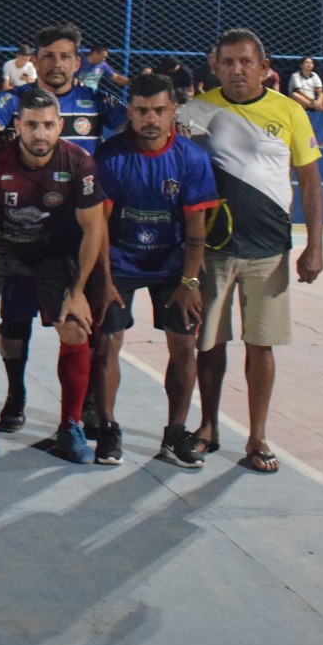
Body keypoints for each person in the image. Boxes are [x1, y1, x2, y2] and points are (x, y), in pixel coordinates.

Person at [178, 28, 323, 474]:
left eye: (246, 62)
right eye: (228, 62)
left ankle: (257, 435)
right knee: (210, 344)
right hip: (214, 250)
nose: (237, 70)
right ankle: (208, 426)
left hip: (269, 249)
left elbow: (311, 183)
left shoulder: (290, 112)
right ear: (215, 66)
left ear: (264, 68)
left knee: (261, 345)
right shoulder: (195, 112)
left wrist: (315, 246)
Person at [0, 22, 124, 435]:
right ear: (34, 61)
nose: (57, 64)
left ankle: (87, 408)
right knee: (14, 320)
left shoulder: (96, 99)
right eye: (48, 56)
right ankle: (16, 394)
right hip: (18, 225)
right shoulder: (15, 99)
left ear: (78, 61)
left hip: (75, 234)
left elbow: (137, 126)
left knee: (84, 321)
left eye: (65, 56)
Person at [0, 87, 107, 464]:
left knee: (76, 327)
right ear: (17, 125)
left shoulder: (78, 162)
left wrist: (77, 291)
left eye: (47, 125)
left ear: (60, 125)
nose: (40, 134)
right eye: (31, 125)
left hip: (49, 251)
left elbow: (93, 228)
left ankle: (71, 426)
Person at [91, 74, 218, 468]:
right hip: (121, 260)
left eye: (159, 110)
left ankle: (175, 433)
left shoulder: (191, 158)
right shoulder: (111, 157)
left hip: (172, 263)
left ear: (173, 111)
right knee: (107, 342)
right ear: (129, 112)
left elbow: (196, 234)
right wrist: (104, 281)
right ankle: (108, 428)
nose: (151, 119)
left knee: (183, 345)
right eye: (143, 111)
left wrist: (190, 283)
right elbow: (98, 229)